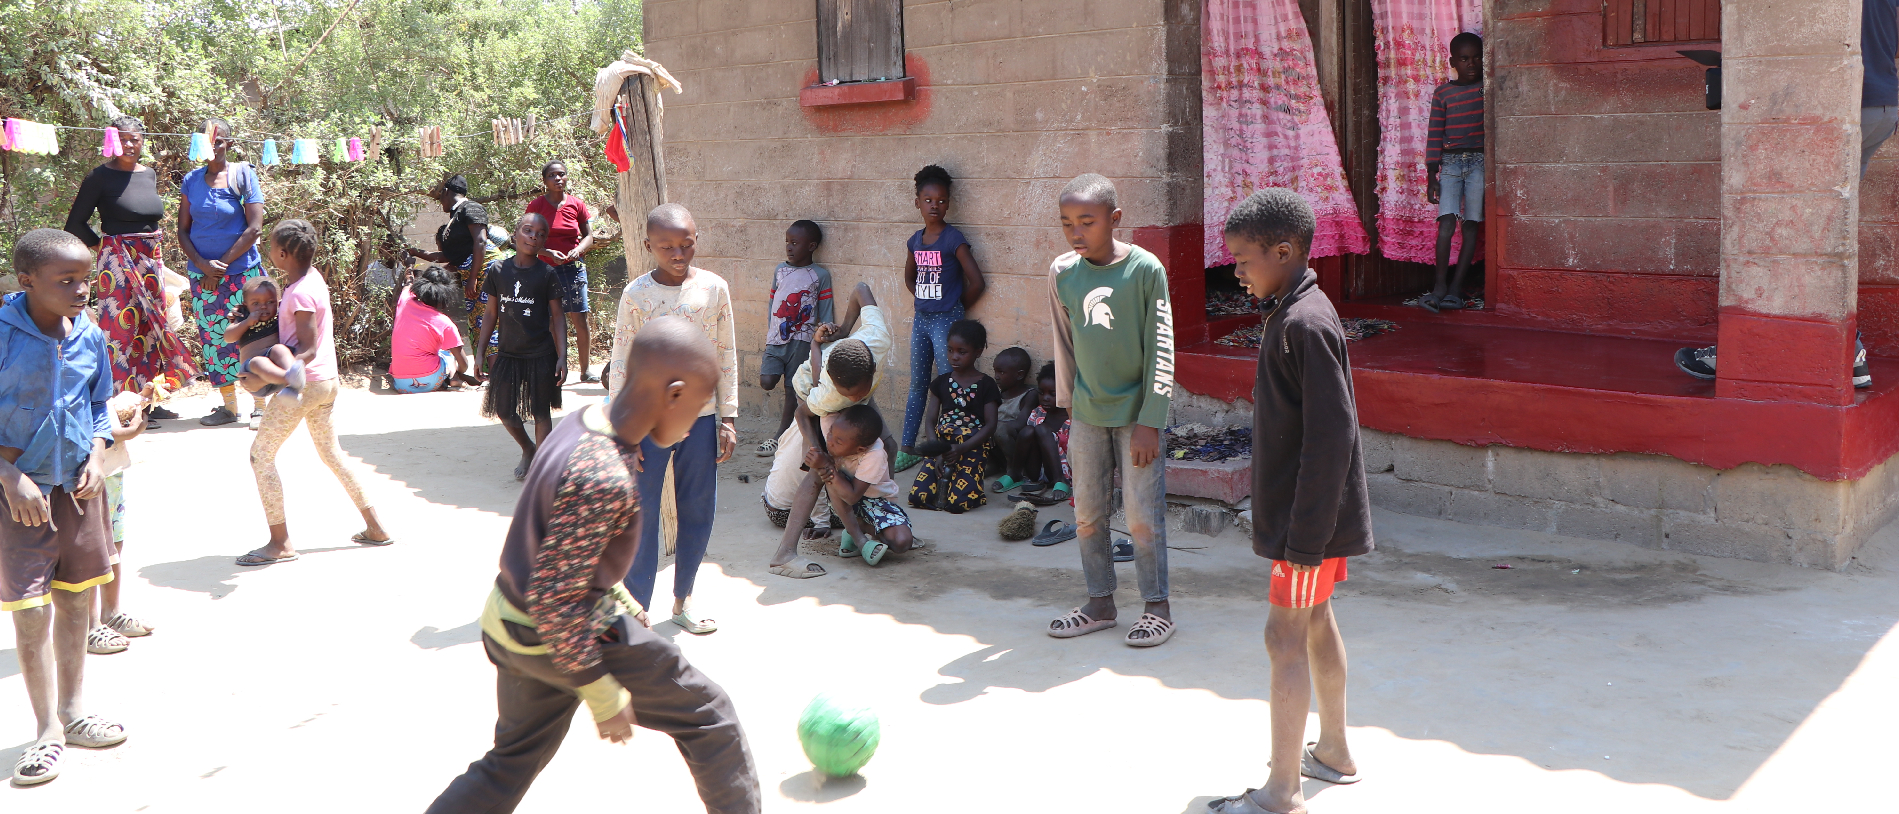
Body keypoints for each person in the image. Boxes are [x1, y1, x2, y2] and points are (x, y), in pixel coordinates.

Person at [424, 317, 761, 814]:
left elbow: (563, 542)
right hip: (561, 632)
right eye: (697, 407)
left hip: (508, 621)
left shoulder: (585, 422)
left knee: (510, 762)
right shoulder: (603, 474)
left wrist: (622, 596)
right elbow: (556, 599)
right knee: (711, 716)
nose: (694, 426)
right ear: (672, 394)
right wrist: (602, 693)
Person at [1205, 189, 1373, 814]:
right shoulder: (1293, 310)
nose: (1236, 272)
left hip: (1309, 524)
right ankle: (1333, 751)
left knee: (1283, 638)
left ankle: (1281, 791)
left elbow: (1333, 437)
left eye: (1243, 260)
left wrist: (1303, 540)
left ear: (1283, 252)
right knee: (1316, 620)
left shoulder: (1304, 323)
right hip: (1314, 520)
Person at [1676, 0, 1887, 389]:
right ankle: (1851, 354)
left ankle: (1750, 349)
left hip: (1838, 103)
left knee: (1791, 230)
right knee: (1825, 229)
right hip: (1884, 104)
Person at [0, 229, 126, 786]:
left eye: (86, 280)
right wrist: (10, 478)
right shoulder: (3, 334)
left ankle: (73, 713)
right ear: (27, 280)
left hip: (77, 490)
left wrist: (98, 453)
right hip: (16, 498)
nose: (82, 290)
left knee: (76, 602)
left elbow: (98, 404)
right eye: (67, 281)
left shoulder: (90, 335)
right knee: (31, 613)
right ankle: (46, 730)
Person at [1045, 173, 1177, 648]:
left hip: (1137, 417)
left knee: (1142, 518)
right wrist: (1068, 407)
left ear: (1114, 219)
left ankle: (1157, 607)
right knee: (1087, 515)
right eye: (1067, 223)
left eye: (1087, 222)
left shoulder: (1145, 270)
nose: (1076, 233)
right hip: (1087, 414)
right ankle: (1099, 602)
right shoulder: (1063, 272)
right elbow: (1064, 343)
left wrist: (1151, 420)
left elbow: (1162, 347)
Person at [607, 203, 738, 636]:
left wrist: (728, 416)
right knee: (640, 514)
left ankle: (684, 600)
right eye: (667, 247)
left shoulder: (714, 288)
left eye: (687, 244)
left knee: (697, 509)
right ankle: (637, 613)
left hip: (699, 418)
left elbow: (725, 354)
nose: (678, 254)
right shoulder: (636, 294)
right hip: (647, 421)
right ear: (649, 246)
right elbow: (621, 361)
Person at [236, 221, 393, 566]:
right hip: (326, 382)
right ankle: (376, 527)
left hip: (307, 384)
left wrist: (272, 377)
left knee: (260, 456)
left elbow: (306, 347)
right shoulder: (311, 280)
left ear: (282, 254)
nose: (269, 252)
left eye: (271, 247)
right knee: (332, 453)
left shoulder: (300, 293)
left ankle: (280, 544)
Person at [62, 115, 196, 419]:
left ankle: (149, 402)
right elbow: (75, 223)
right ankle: (121, 409)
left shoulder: (148, 174)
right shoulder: (99, 177)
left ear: (142, 141)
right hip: (117, 264)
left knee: (151, 328)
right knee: (120, 332)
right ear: (112, 141)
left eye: (134, 139)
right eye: (122, 139)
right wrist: (106, 249)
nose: (129, 144)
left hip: (151, 261)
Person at [761, 282, 894, 578]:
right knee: (819, 471)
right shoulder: (828, 395)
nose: (855, 398)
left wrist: (845, 329)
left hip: (846, 372)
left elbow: (860, 289)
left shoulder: (877, 338)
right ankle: (784, 554)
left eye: (858, 393)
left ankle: (882, 521)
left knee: (889, 445)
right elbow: (802, 412)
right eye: (850, 395)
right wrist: (815, 449)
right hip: (811, 392)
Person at [896, 164, 987, 472]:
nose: (934, 205)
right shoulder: (915, 241)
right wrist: (924, 298)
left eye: (941, 200)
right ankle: (908, 447)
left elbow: (977, 282)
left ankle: (952, 447)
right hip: (922, 320)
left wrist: (954, 308)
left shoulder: (952, 239)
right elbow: (909, 278)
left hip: (947, 320)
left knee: (951, 383)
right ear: (917, 202)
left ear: (948, 204)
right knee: (918, 383)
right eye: (928, 200)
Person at [177, 117, 267, 426]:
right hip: (204, 279)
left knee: (252, 336)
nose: (212, 147)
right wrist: (203, 266)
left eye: (218, 141)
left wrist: (221, 265)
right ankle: (229, 407)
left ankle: (260, 405)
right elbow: (182, 230)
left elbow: (254, 228)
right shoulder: (191, 180)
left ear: (229, 143)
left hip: (243, 274)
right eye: (206, 142)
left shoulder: (243, 175)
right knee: (215, 339)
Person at [477, 213, 568, 481]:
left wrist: (562, 355)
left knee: (541, 413)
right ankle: (528, 448)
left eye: (540, 234)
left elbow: (558, 317)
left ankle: (543, 467)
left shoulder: (547, 274)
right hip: (508, 354)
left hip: (541, 354)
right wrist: (481, 352)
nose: (533, 237)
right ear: (515, 233)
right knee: (503, 410)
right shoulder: (498, 271)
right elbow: (490, 313)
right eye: (528, 230)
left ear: (544, 241)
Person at [756, 219, 834, 457]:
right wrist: (771, 328)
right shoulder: (780, 270)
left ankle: (780, 436)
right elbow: (773, 302)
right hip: (776, 338)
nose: (789, 247)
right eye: (787, 242)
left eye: (795, 243)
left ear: (811, 246)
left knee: (792, 389)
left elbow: (826, 310)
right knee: (767, 380)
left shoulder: (820, 275)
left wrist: (825, 334)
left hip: (802, 341)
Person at [87, 387, 156, 655]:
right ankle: (88, 624)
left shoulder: (99, 380)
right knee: (92, 551)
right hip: (90, 477)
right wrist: (135, 425)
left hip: (111, 472)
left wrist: (136, 404)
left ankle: (111, 613)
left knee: (114, 545)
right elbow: (109, 431)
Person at [908, 319, 1000, 514]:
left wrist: (962, 448)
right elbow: (930, 421)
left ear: (977, 352)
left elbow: (991, 425)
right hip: (941, 447)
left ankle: (969, 488)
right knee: (918, 497)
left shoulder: (987, 384)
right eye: (950, 350)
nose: (954, 357)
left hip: (971, 447)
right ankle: (946, 483)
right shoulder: (941, 382)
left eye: (961, 352)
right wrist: (936, 451)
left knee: (958, 503)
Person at [1420, 32, 1483, 313]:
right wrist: (1431, 175)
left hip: (1480, 163)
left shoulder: (1486, 90)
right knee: (1446, 224)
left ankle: (1456, 289)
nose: (1472, 64)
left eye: (1477, 58)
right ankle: (1439, 288)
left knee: (1471, 224)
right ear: (1452, 62)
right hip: (1451, 164)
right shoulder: (1442, 94)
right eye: (1465, 58)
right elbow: (1434, 134)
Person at [808, 404, 914, 566]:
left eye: (838, 442)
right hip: (843, 504)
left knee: (902, 542)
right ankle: (859, 539)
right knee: (830, 478)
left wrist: (827, 465)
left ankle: (860, 527)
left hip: (878, 502)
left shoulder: (874, 455)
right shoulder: (838, 432)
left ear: (860, 449)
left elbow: (852, 496)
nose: (830, 442)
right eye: (830, 433)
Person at [525, 160, 600, 383]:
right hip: (545, 269)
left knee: (580, 318)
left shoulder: (577, 204)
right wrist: (547, 251)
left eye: (561, 174)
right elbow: (524, 237)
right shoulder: (536, 206)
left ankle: (585, 371)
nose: (558, 178)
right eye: (552, 175)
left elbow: (589, 236)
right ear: (544, 181)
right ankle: (558, 370)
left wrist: (578, 249)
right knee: (551, 320)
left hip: (573, 268)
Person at [405, 175, 491, 344]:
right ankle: (483, 359)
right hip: (472, 276)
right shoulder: (455, 216)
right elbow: (447, 256)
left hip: (484, 274)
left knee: (487, 321)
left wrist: (473, 277)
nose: (440, 201)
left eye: (440, 197)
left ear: (446, 192)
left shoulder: (471, 208)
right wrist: (414, 251)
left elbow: (481, 241)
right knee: (477, 323)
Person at [391, 267, 478, 394]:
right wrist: (458, 371)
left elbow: (408, 284)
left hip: (400, 383)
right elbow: (464, 364)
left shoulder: (405, 301)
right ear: (447, 294)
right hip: (429, 381)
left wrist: (409, 268)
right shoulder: (445, 323)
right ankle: (453, 378)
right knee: (447, 354)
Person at [222, 276, 293, 399]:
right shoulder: (243, 315)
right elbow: (228, 337)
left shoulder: (280, 316)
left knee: (279, 349)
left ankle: (293, 378)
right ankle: (289, 378)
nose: (263, 306)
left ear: (279, 302)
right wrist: (247, 322)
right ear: (246, 305)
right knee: (258, 362)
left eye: (270, 302)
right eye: (256, 303)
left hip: (275, 373)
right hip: (253, 374)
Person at [988, 347, 1038, 492]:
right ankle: (992, 464)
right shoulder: (997, 394)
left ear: (1019, 375)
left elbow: (1020, 424)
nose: (996, 376)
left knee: (999, 429)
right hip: (995, 444)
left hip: (1017, 448)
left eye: (1001, 372)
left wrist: (992, 427)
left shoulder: (1029, 395)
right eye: (995, 371)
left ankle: (1015, 471)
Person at [1020, 362, 1072, 502]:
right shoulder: (1038, 412)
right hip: (1039, 469)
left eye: (1052, 394)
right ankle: (1014, 474)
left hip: (1064, 470)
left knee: (1041, 429)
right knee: (1028, 431)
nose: (1045, 398)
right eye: (1041, 393)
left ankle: (1060, 480)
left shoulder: (1073, 418)